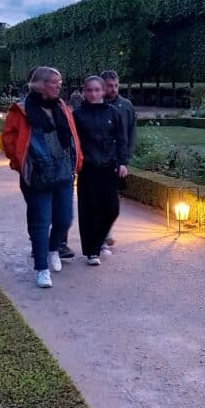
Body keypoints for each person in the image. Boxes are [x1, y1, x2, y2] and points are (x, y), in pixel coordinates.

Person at [2, 67, 82, 289]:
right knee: (41, 222)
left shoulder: (62, 108)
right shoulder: (21, 110)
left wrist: (77, 161)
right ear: (40, 85)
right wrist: (21, 163)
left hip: (63, 171)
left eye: (60, 81)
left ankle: (53, 248)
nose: (59, 85)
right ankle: (41, 269)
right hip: (37, 174)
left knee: (64, 219)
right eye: (54, 82)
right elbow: (8, 140)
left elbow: (73, 137)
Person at [72, 76, 128, 266]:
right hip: (88, 168)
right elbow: (74, 143)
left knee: (112, 209)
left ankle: (98, 241)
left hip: (108, 168)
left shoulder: (113, 113)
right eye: (89, 90)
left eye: (97, 90)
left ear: (103, 91)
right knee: (88, 210)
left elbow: (122, 139)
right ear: (84, 92)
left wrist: (123, 162)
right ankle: (91, 251)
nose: (93, 94)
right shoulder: (78, 114)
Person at [100, 70, 136, 251]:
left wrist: (125, 160)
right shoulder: (95, 104)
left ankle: (106, 230)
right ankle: (104, 234)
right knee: (101, 199)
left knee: (113, 199)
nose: (113, 89)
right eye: (109, 86)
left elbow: (131, 133)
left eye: (115, 85)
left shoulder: (126, 105)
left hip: (117, 160)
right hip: (99, 160)